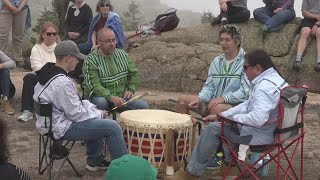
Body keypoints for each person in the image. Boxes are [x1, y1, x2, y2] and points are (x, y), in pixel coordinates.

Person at [186, 49, 288, 178]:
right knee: (221, 125)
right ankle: (227, 164)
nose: (243, 71)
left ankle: (192, 171)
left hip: (262, 137)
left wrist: (232, 119)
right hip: (282, 133)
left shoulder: (263, 87)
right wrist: (222, 116)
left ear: (257, 68)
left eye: (245, 67)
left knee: (213, 129)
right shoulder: (277, 80)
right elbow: (247, 104)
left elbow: (258, 119)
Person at [34, 40, 128, 171]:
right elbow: (75, 114)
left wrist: (94, 109)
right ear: (68, 58)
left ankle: (95, 161)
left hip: (48, 124)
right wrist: (99, 113)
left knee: (95, 118)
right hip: (60, 128)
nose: (78, 61)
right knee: (112, 127)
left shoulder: (46, 74)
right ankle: (124, 169)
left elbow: (74, 105)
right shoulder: (62, 82)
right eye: (76, 58)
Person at [176, 24, 249, 170]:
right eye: (221, 39)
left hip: (236, 107)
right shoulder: (217, 61)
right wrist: (200, 98)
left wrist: (224, 98)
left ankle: (218, 155)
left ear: (237, 41)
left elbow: (246, 91)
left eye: (227, 39)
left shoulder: (246, 62)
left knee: (218, 107)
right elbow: (209, 86)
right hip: (213, 103)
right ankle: (182, 149)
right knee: (182, 101)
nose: (223, 43)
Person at [82, 28, 149, 111]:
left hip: (120, 98)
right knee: (101, 102)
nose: (112, 44)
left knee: (143, 106)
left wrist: (131, 89)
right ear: (99, 42)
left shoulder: (123, 55)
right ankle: (104, 122)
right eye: (108, 41)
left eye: (113, 40)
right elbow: (94, 85)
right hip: (100, 97)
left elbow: (134, 74)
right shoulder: (91, 60)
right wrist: (111, 97)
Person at [18, 22, 59, 122]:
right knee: (29, 78)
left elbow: (62, 66)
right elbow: (37, 67)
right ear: (43, 35)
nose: (52, 36)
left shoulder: (60, 48)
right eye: (49, 34)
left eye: (54, 33)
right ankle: (27, 111)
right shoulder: (37, 48)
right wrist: (52, 69)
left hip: (56, 79)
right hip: (41, 77)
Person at [0, 0, 31, 68]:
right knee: (2, 36)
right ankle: (1, 58)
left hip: (21, 8)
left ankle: (18, 59)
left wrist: (19, 7)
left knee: (19, 35)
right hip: (5, 8)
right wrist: (12, 7)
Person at [292, 0, 320, 72]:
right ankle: (297, 61)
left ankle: (319, 62)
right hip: (309, 19)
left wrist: (316, 24)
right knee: (305, 32)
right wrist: (316, 16)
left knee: (319, 33)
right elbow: (304, 13)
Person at [0, 50, 16, 115]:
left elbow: (12, 63)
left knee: (5, 70)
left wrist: (1, 65)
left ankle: (5, 100)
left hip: (4, 88)